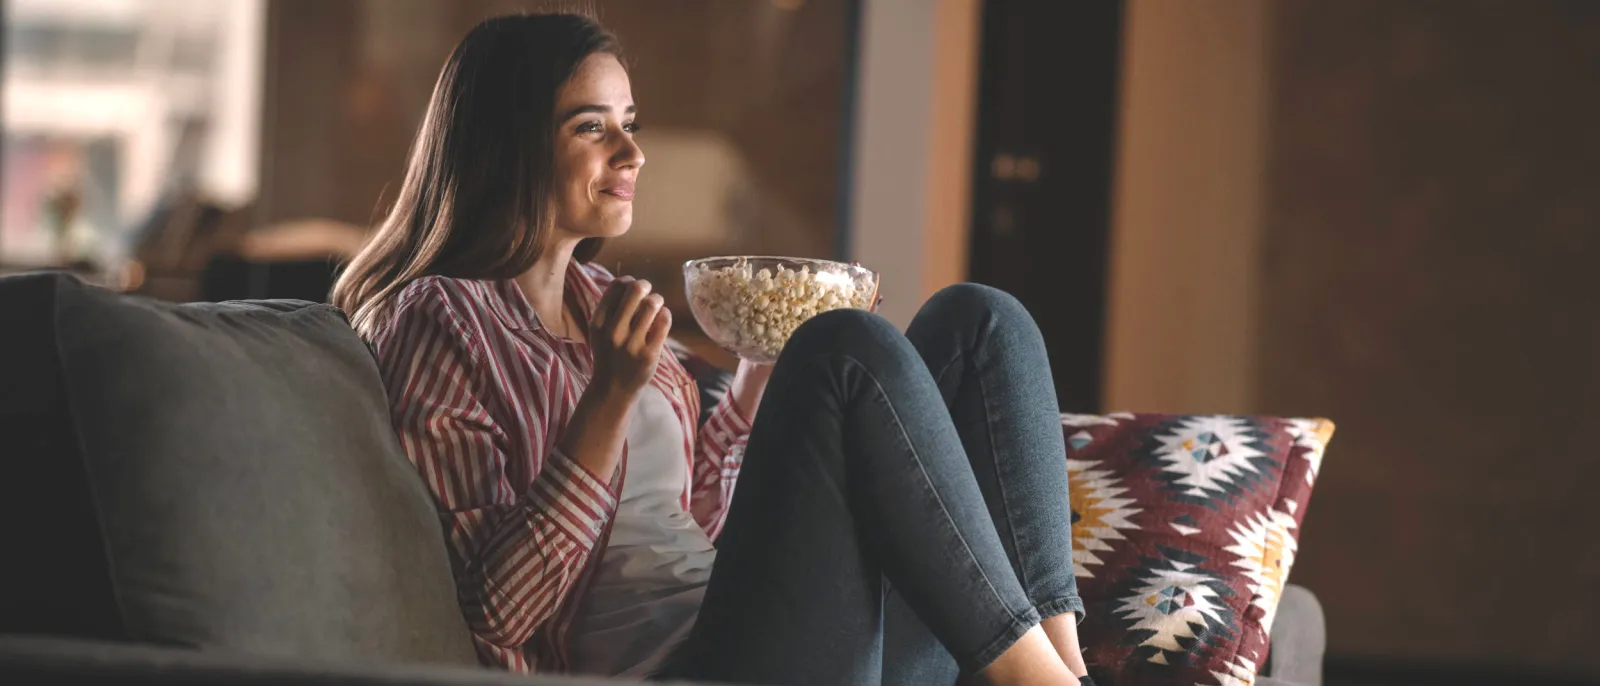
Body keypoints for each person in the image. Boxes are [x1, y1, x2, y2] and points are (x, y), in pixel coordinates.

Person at [332, 13, 1093, 686]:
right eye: (592, 127)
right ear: (509, 146)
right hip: (684, 665)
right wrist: (607, 398)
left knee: (982, 321)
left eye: (629, 121)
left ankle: (1065, 669)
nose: (632, 152)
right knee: (848, 350)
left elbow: (696, 514)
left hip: (781, 633)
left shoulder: (603, 298)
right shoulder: (439, 319)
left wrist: (763, 364)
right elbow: (495, 609)